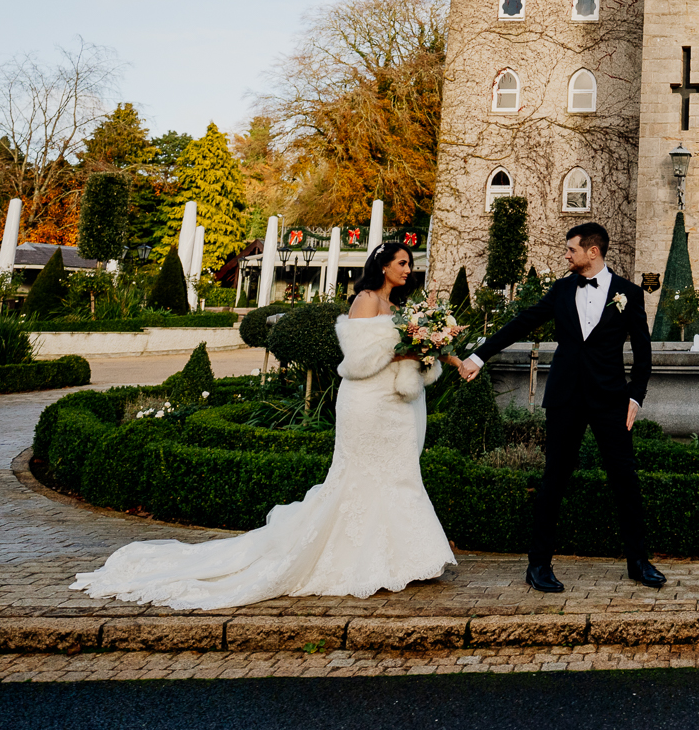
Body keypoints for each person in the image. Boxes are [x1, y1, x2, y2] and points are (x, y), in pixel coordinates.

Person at [71, 242, 470, 610]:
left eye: (408, 265)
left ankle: (407, 559)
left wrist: (435, 352)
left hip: (396, 408)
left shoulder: (400, 310)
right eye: (401, 263)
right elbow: (359, 361)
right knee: (363, 477)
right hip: (367, 405)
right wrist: (406, 351)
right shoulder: (365, 301)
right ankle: (369, 561)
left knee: (399, 475)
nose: (407, 270)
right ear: (382, 266)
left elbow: (421, 347)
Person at [457, 221, 662, 592]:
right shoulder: (562, 289)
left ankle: (639, 562)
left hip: (610, 400)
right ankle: (538, 566)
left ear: (592, 252)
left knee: (625, 480)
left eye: (571, 249)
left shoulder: (628, 293)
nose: (566, 255)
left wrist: (635, 396)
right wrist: (478, 357)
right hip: (565, 399)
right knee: (554, 479)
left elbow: (644, 352)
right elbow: (520, 324)